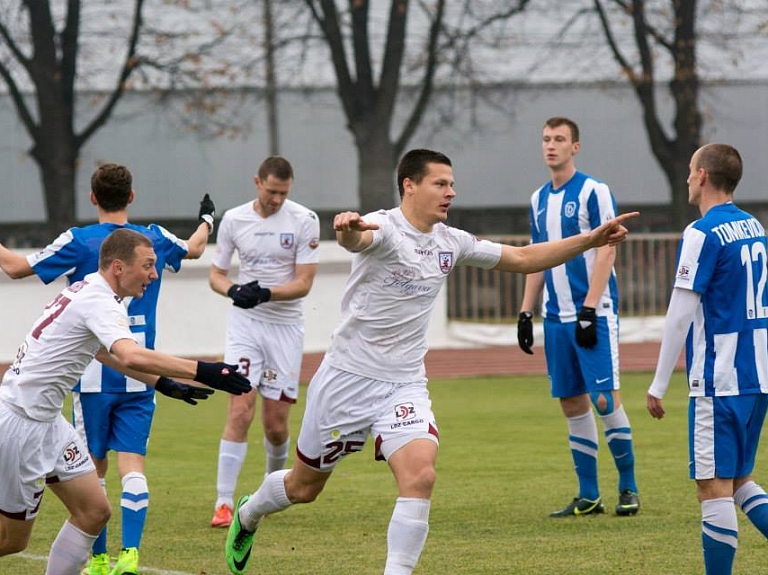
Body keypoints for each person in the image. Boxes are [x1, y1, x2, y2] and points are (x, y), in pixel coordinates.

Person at [221, 148, 638, 575]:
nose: (450, 193)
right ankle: (250, 513)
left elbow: (522, 258)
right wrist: (347, 230)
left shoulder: (450, 242)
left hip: (404, 385)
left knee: (421, 476)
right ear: (410, 185)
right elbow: (358, 239)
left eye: (451, 184)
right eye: (440, 184)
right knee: (304, 488)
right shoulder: (384, 227)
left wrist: (591, 240)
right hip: (346, 380)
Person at [0, 162, 216, 575]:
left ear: (93, 197)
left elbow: (14, 267)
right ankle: (124, 554)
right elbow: (194, 248)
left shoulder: (78, 243)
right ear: (131, 196)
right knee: (16, 538)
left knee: (95, 503)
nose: (151, 273)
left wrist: (167, 381)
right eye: (148, 268)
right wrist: (207, 219)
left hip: (96, 379)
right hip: (120, 369)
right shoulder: (150, 238)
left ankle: (100, 560)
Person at [647, 144, 768, 575]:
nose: (686, 180)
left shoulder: (702, 232)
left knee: (711, 489)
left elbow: (680, 314)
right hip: (757, 377)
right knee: (737, 482)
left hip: (720, 378)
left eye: (688, 172)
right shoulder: (754, 226)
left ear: (700, 175)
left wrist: (658, 384)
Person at [516, 116, 640, 517]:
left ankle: (628, 487)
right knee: (571, 403)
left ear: (576, 147)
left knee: (604, 400)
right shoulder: (537, 199)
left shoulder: (593, 190)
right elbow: (536, 257)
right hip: (555, 318)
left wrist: (590, 306)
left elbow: (608, 247)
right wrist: (525, 311)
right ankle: (589, 495)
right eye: (546, 138)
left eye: (560, 139)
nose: (551, 145)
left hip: (594, 313)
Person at [208, 155, 320, 528]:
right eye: (271, 192)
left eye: (283, 194)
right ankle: (223, 503)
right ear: (258, 183)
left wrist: (266, 293)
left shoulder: (304, 220)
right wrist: (235, 291)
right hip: (246, 327)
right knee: (240, 410)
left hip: (285, 329)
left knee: (275, 425)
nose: (276, 200)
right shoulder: (235, 219)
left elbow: (304, 283)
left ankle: (272, 492)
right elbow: (216, 276)